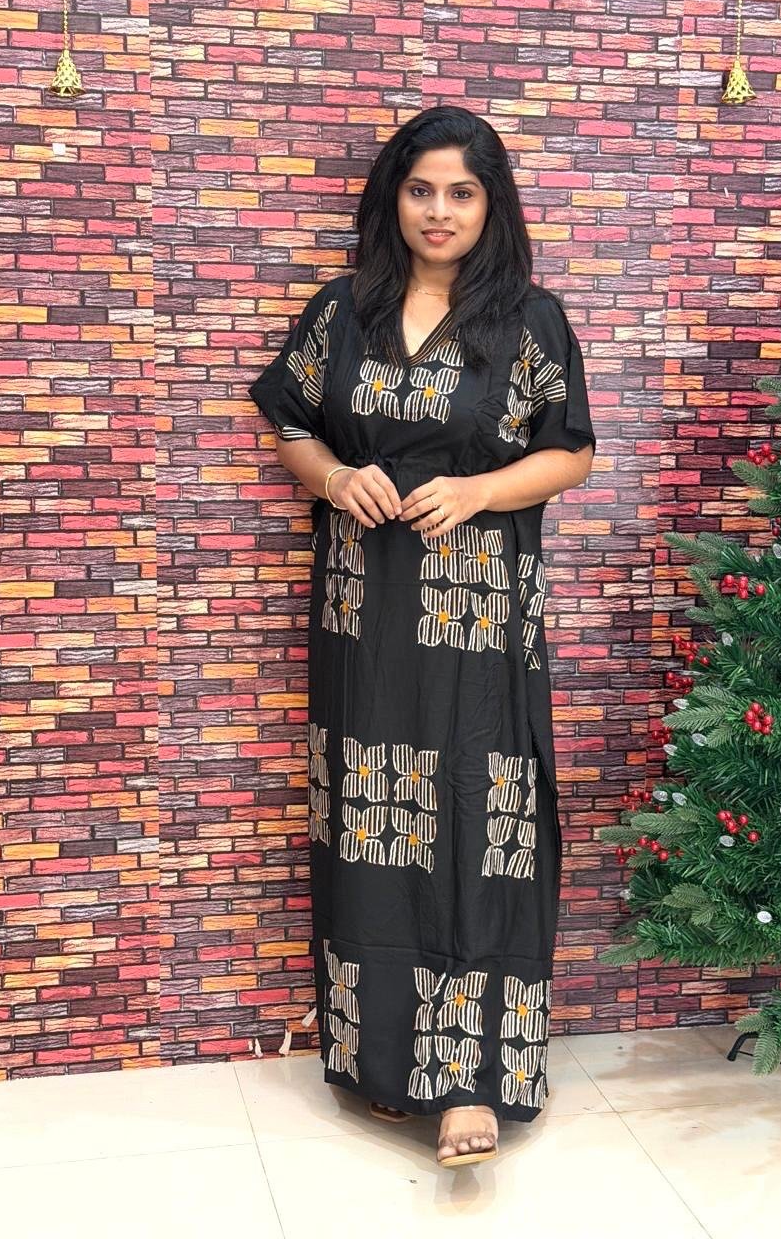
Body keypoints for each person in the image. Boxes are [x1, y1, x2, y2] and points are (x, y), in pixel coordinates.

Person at [248, 105, 596, 1168]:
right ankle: (385, 1064)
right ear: (392, 197)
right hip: (365, 610)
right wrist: (330, 476)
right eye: (420, 189)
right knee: (370, 824)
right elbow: (292, 423)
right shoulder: (342, 310)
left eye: (461, 192)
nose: (438, 211)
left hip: (482, 616)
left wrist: (481, 489)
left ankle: (471, 1083)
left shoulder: (528, 318)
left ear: (491, 206)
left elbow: (571, 451)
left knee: (481, 822)